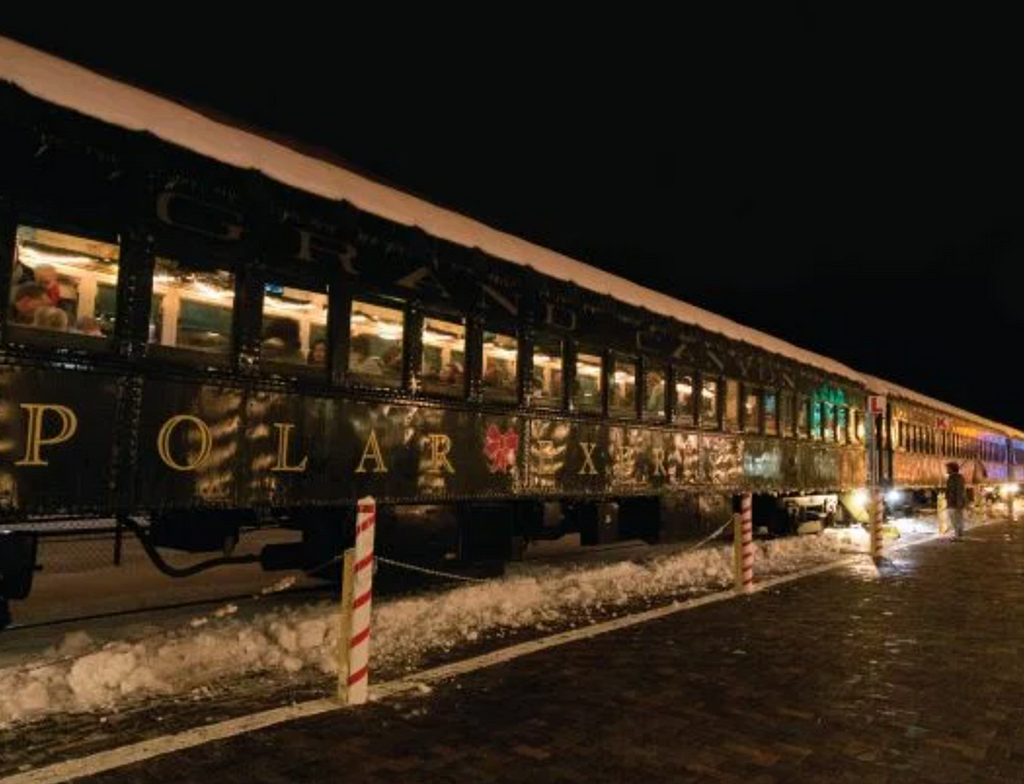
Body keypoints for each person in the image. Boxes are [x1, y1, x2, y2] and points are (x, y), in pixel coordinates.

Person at [946, 461, 967, 539]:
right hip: (953, 502)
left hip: (955, 503)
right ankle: (958, 535)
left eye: (948, 468)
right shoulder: (951, 478)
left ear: (952, 469)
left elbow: (959, 490)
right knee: (956, 519)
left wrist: (959, 503)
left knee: (956, 519)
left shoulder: (957, 478)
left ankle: (958, 536)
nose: (946, 470)